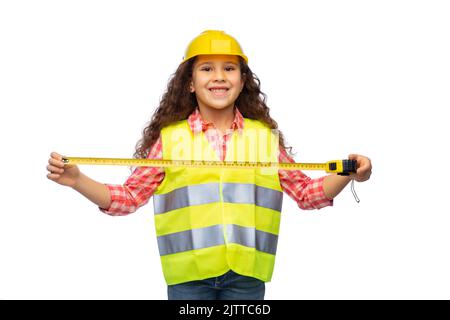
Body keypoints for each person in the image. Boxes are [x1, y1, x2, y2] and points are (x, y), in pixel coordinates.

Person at [47, 30, 372, 300]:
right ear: (189, 82)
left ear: (243, 80)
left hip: (247, 279)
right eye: (207, 68)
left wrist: (347, 172)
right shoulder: (170, 140)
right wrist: (78, 181)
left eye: (229, 68)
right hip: (189, 281)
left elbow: (305, 192)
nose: (219, 76)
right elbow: (128, 199)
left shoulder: (263, 139)